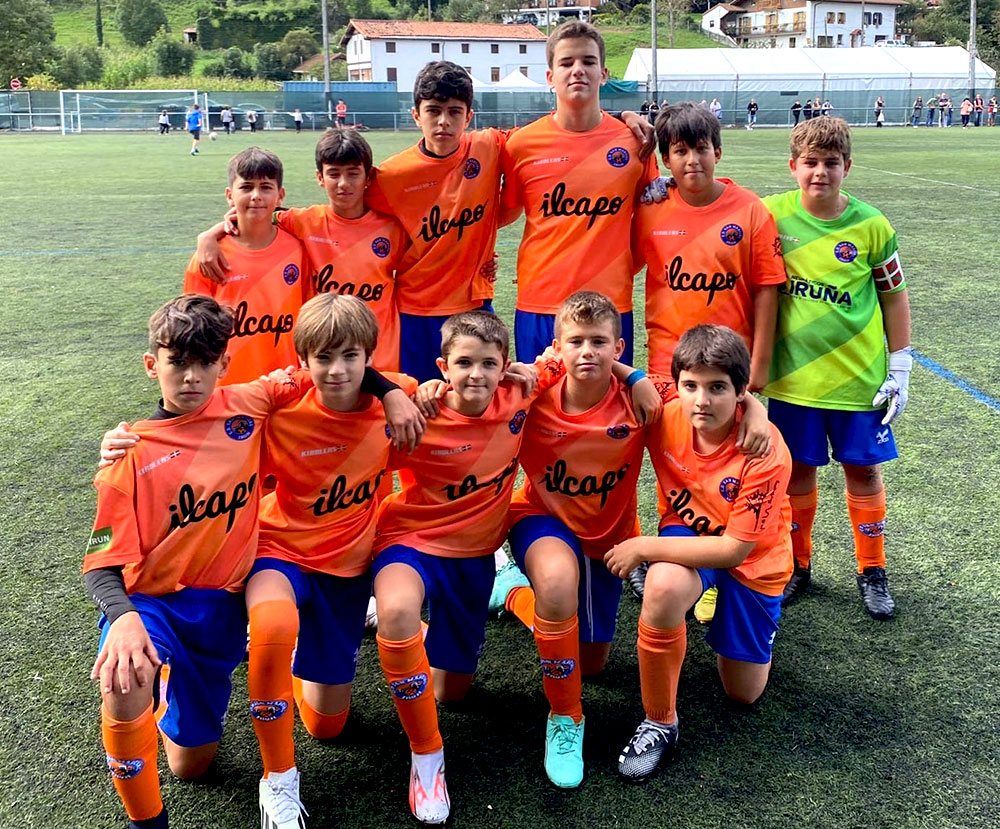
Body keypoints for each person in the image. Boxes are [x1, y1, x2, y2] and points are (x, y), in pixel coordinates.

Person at [83, 295, 307, 829]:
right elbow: (100, 563)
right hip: (151, 603)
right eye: (178, 362)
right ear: (151, 364)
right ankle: (147, 822)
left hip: (219, 610)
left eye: (205, 362)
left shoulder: (249, 404)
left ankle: (169, 698)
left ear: (224, 364)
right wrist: (123, 618)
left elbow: (325, 369)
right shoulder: (130, 454)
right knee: (124, 676)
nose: (191, 376)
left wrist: (395, 393)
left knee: (191, 767)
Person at [370, 311, 560, 823]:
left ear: (505, 367)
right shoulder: (420, 413)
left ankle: (415, 626)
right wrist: (403, 393)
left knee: (451, 693)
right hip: (410, 541)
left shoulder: (519, 396)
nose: (476, 374)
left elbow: (570, 355)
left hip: (473, 557)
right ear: (443, 366)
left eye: (488, 364)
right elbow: (352, 414)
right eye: (463, 363)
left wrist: (634, 375)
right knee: (398, 609)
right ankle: (427, 758)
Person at [245, 294, 419, 828]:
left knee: (329, 727)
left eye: (350, 356)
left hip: (345, 566)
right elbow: (204, 414)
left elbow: (461, 386)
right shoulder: (280, 407)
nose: (337, 370)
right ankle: (277, 778)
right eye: (323, 358)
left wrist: (393, 393)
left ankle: (299, 649)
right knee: (272, 627)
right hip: (279, 550)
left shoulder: (401, 398)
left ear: (369, 357)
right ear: (303, 360)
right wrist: (129, 438)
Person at [604, 323, 793, 781]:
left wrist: (641, 546)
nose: (701, 400)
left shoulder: (765, 451)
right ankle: (659, 723)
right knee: (663, 586)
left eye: (718, 388)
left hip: (753, 558)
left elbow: (734, 550)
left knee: (743, 695)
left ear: (741, 391)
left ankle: (732, 616)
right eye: (690, 386)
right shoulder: (665, 407)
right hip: (687, 530)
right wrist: (632, 376)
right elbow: (599, 361)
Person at [498, 292, 661, 788]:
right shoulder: (533, 393)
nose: (587, 351)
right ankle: (566, 718)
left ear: (619, 347)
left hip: (606, 536)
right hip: (541, 518)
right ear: (557, 347)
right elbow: (475, 387)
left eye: (598, 342)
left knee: (591, 664)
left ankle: (511, 593)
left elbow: (711, 394)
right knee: (556, 582)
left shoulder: (640, 399)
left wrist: (754, 411)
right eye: (575, 342)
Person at [763, 117, 912, 620]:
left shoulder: (872, 226)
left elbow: (894, 296)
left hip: (858, 381)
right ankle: (798, 565)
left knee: (863, 471)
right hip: (794, 382)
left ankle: (872, 570)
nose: (820, 172)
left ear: (847, 166)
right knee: (797, 472)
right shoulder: (771, 215)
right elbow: (719, 210)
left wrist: (900, 366)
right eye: (810, 162)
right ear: (793, 166)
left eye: (831, 163)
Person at [499, 21, 658, 365]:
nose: (577, 70)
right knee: (538, 396)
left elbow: (652, 221)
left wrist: (618, 267)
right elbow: (501, 213)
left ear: (603, 73)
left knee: (609, 399)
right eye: (566, 62)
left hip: (609, 303)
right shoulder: (521, 145)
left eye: (588, 61)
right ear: (550, 76)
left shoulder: (636, 143)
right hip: (540, 303)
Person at [183, 148, 310, 385]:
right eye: (246, 187)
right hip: (230, 387)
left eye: (266, 187)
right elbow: (195, 330)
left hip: (288, 381)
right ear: (229, 195)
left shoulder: (297, 250)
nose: (256, 196)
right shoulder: (209, 257)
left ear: (280, 195)